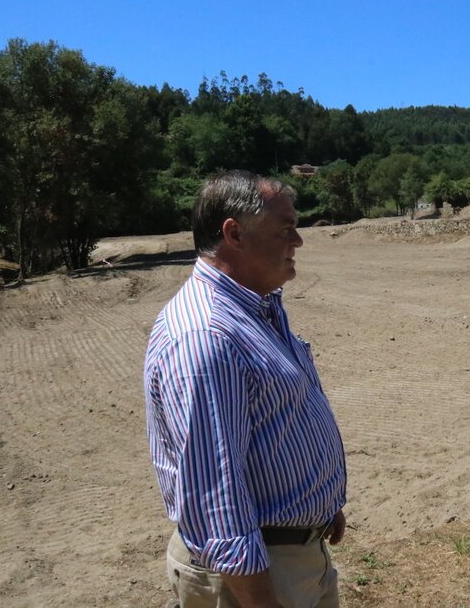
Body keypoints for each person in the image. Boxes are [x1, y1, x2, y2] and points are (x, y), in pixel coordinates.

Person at [144, 170, 347, 608]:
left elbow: (278, 420)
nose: (298, 241)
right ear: (233, 234)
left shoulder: (259, 305)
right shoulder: (207, 335)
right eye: (286, 229)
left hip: (293, 558)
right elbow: (216, 494)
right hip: (253, 578)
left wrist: (321, 503)